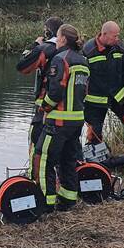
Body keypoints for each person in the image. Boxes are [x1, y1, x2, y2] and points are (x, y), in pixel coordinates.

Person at [31, 24, 88, 211]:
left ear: (62, 39)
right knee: (68, 160)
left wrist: (44, 108)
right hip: (76, 120)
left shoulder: (59, 59)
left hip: (58, 121)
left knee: (42, 159)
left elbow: (55, 91)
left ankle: (45, 203)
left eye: (57, 37)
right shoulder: (83, 61)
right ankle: (68, 199)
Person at [82, 21, 124, 144]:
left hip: (118, 95)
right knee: (94, 136)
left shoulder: (120, 48)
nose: (117, 39)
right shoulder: (88, 50)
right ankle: (94, 159)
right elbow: (82, 77)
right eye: (115, 36)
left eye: (118, 35)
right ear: (104, 34)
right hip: (95, 100)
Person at [16, 16, 64, 149]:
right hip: (69, 113)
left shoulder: (45, 48)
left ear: (48, 32)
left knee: (38, 147)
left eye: (45, 31)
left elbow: (22, 66)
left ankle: (35, 169)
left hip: (45, 107)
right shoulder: (74, 52)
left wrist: (36, 45)